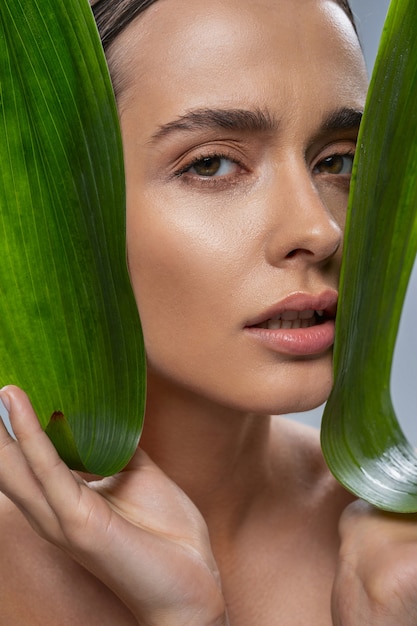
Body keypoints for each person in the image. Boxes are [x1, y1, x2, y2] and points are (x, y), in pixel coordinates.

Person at [1, 0, 417, 624]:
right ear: (53, 202)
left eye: (338, 160)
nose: (319, 229)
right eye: (211, 164)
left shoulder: (398, 570)